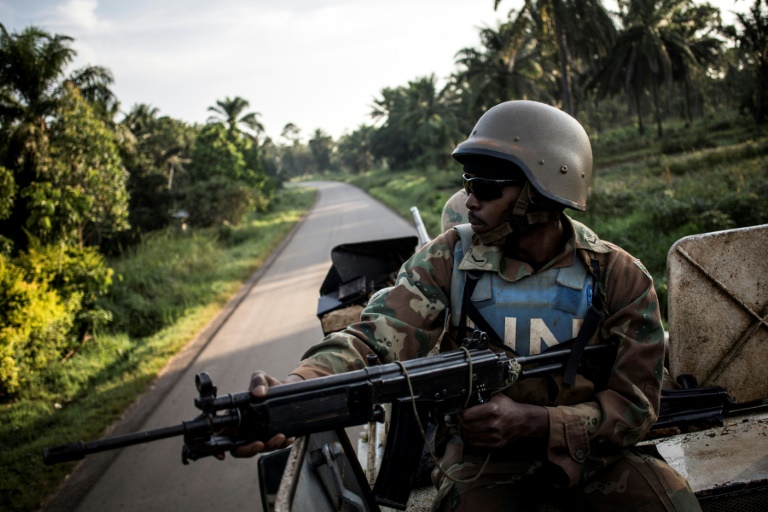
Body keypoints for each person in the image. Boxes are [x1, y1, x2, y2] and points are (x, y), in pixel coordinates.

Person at [236, 101, 701, 511]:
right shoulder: (450, 258)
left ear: (539, 194)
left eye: (486, 187)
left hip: (593, 454)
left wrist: (538, 424)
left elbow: (636, 408)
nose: (469, 200)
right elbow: (375, 341)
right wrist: (295, 390)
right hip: (485, 462)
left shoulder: (617, 276)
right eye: (468, 182)